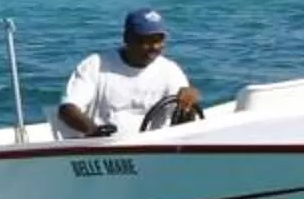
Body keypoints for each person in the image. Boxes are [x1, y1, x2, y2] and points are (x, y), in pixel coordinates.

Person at [56, 7, 200, 138]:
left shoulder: (170, 70)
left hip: (156, 150)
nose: (154, 46)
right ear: (127, 38)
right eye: (146, 40)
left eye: (159, 39)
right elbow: (67, 109)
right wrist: (93, 131)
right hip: (104, 149)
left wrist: (190, 102)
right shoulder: (95, 65)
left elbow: (184, 122)